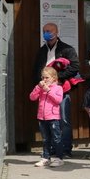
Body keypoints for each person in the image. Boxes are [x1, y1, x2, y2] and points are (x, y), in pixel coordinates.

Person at [31, 23, 79, 159]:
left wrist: (58, 79)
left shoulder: (67, 49)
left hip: (60, 90)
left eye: (50, 31)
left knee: (63, 120)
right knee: (48, 121)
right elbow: (36, 70)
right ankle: (52, 149)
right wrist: (39, 84)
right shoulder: (41, 50)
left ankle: (65, 150)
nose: (47, 33)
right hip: (44, 92)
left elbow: (75, 67)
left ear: (57, 32)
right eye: (45, 31)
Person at [30, 66, 64, 168]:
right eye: (43, 77)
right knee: (45, 139)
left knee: (56, 138)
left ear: (54, 78)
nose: (44, 80)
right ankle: (46, 158)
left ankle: (59, 158)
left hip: (53, 117)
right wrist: (38, 87)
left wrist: (48, 90)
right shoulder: (40, 88)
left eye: (47, 78)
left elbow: (58, 100)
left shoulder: (58, 88)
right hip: (42, 117)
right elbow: (32, 97)